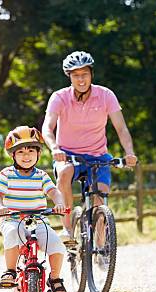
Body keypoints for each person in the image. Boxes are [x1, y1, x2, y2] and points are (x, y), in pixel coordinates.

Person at [41, 51, 137, 244]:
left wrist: (129, 153)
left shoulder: (106, 95)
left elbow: (121, 128)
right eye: (76, 75)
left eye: (84, 74)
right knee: (65, 172)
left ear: (91, 74)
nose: (81, 79)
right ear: (69, 77)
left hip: (98, 155)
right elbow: (47, 127)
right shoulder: (59, 97)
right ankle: (67, 228)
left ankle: (101, 246)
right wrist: (54, 148)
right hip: (67, 155)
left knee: (100, 195)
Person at [0, 126, 67, 292]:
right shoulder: (6, 174)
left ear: (38, 153)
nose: (26, 156)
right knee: (11, 234)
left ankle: (54, 278)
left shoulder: (41, 175)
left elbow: (54, 192)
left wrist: (59, 203)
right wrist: (0, 207)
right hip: (13, 219)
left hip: (38, 220)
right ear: (13, 155)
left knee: (56, 244)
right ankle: (10, 271)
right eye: (21, 152)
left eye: (31, 150)